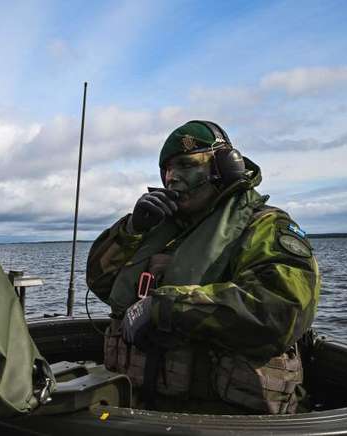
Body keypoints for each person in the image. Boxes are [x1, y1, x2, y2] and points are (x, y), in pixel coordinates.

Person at [86, 120, 320, 414]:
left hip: (221, 417)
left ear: (225, 167)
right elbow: (100, 283)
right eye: (168, 170)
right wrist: (132, 230)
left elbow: (281, 311)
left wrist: (162, 307)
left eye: (186, 166)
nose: (173, 178)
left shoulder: (264, 227)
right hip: (142, 407)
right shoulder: (160, 227)